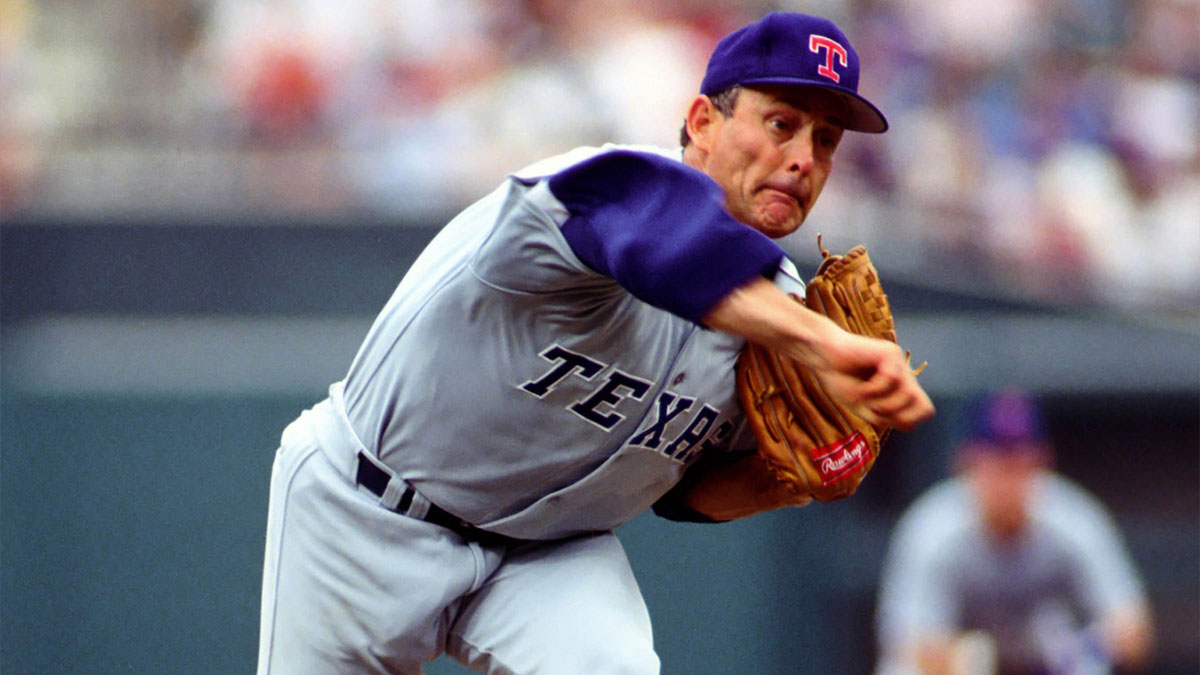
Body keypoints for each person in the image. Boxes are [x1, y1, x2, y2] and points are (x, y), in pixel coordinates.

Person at [258, 12, 934, 674]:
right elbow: (666, 247)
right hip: (367, 511)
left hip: (548, 555)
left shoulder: (781, 310)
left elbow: (686, 494)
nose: (803, 159)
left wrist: (788, 481)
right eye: (782, 124)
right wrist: (824, 342)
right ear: (702, 121)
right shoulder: (606, 185)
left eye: (825, 140)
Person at [875, 390, 1154, 675]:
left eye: (1020, 464)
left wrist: (1080, 650)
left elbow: (1134, 632)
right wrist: (984, 662)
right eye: (997, 464)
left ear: (1042, 462)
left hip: (1046, 661)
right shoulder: (933, 529)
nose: (1009, 482)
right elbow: (910, 644)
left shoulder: (1072, 520)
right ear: (966, 462)